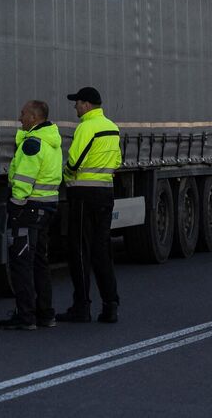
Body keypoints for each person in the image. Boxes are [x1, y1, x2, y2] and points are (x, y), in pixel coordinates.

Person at [57, 86, 122, 324]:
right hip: (106, 192)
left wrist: (66, 175)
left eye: (77, 102)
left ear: (86, 105)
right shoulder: (112, 127)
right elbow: (117, 161)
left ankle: (81, 306)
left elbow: (74, 160)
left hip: (83, 194)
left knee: (79, 250)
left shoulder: (86, 127)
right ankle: (110, 305)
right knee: (102, 250)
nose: (75, 106)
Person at [0, 100, 62, 331]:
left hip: (28, 209)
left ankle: (26, 315)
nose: (20, 117)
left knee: (21, 264)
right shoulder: (51, 142)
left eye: (23, 113)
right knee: (39, 263)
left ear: (34, 117)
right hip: (46, 208)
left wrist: (15, 207)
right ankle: (45, 313)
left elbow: (24, 181)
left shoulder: (32, 144)